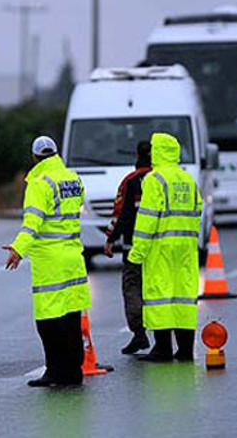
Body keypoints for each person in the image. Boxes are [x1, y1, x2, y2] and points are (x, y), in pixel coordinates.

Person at [3, 136, 92, 387]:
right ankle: (74, 372)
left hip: (50, 261)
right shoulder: (73, 178)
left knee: (48, 321)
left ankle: (55, 371)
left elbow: (33, 223)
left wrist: (18, 249)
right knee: (72, 317)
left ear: (34, 158)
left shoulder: (39, 183)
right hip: (73, 257)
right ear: (55, 153)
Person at [128, 133, 203, 362]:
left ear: (158, 151)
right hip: (186, 248)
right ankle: (186, 349)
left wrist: (137, 253)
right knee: (183, 296)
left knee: (160, 296)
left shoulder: (154, 179)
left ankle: (162, 348)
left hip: (160, 247)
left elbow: (147, 220)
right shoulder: (187, 179)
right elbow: (198, 209)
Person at [104, 140, 151, 355]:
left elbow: (121, 214)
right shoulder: (164, 180)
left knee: (132, 289)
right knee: (159, 291)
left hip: (134, 247)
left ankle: (139, 334)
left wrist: (110, 239)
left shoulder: (130, 182)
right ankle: (165, 338)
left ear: (137, 157)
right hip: (161, 248)